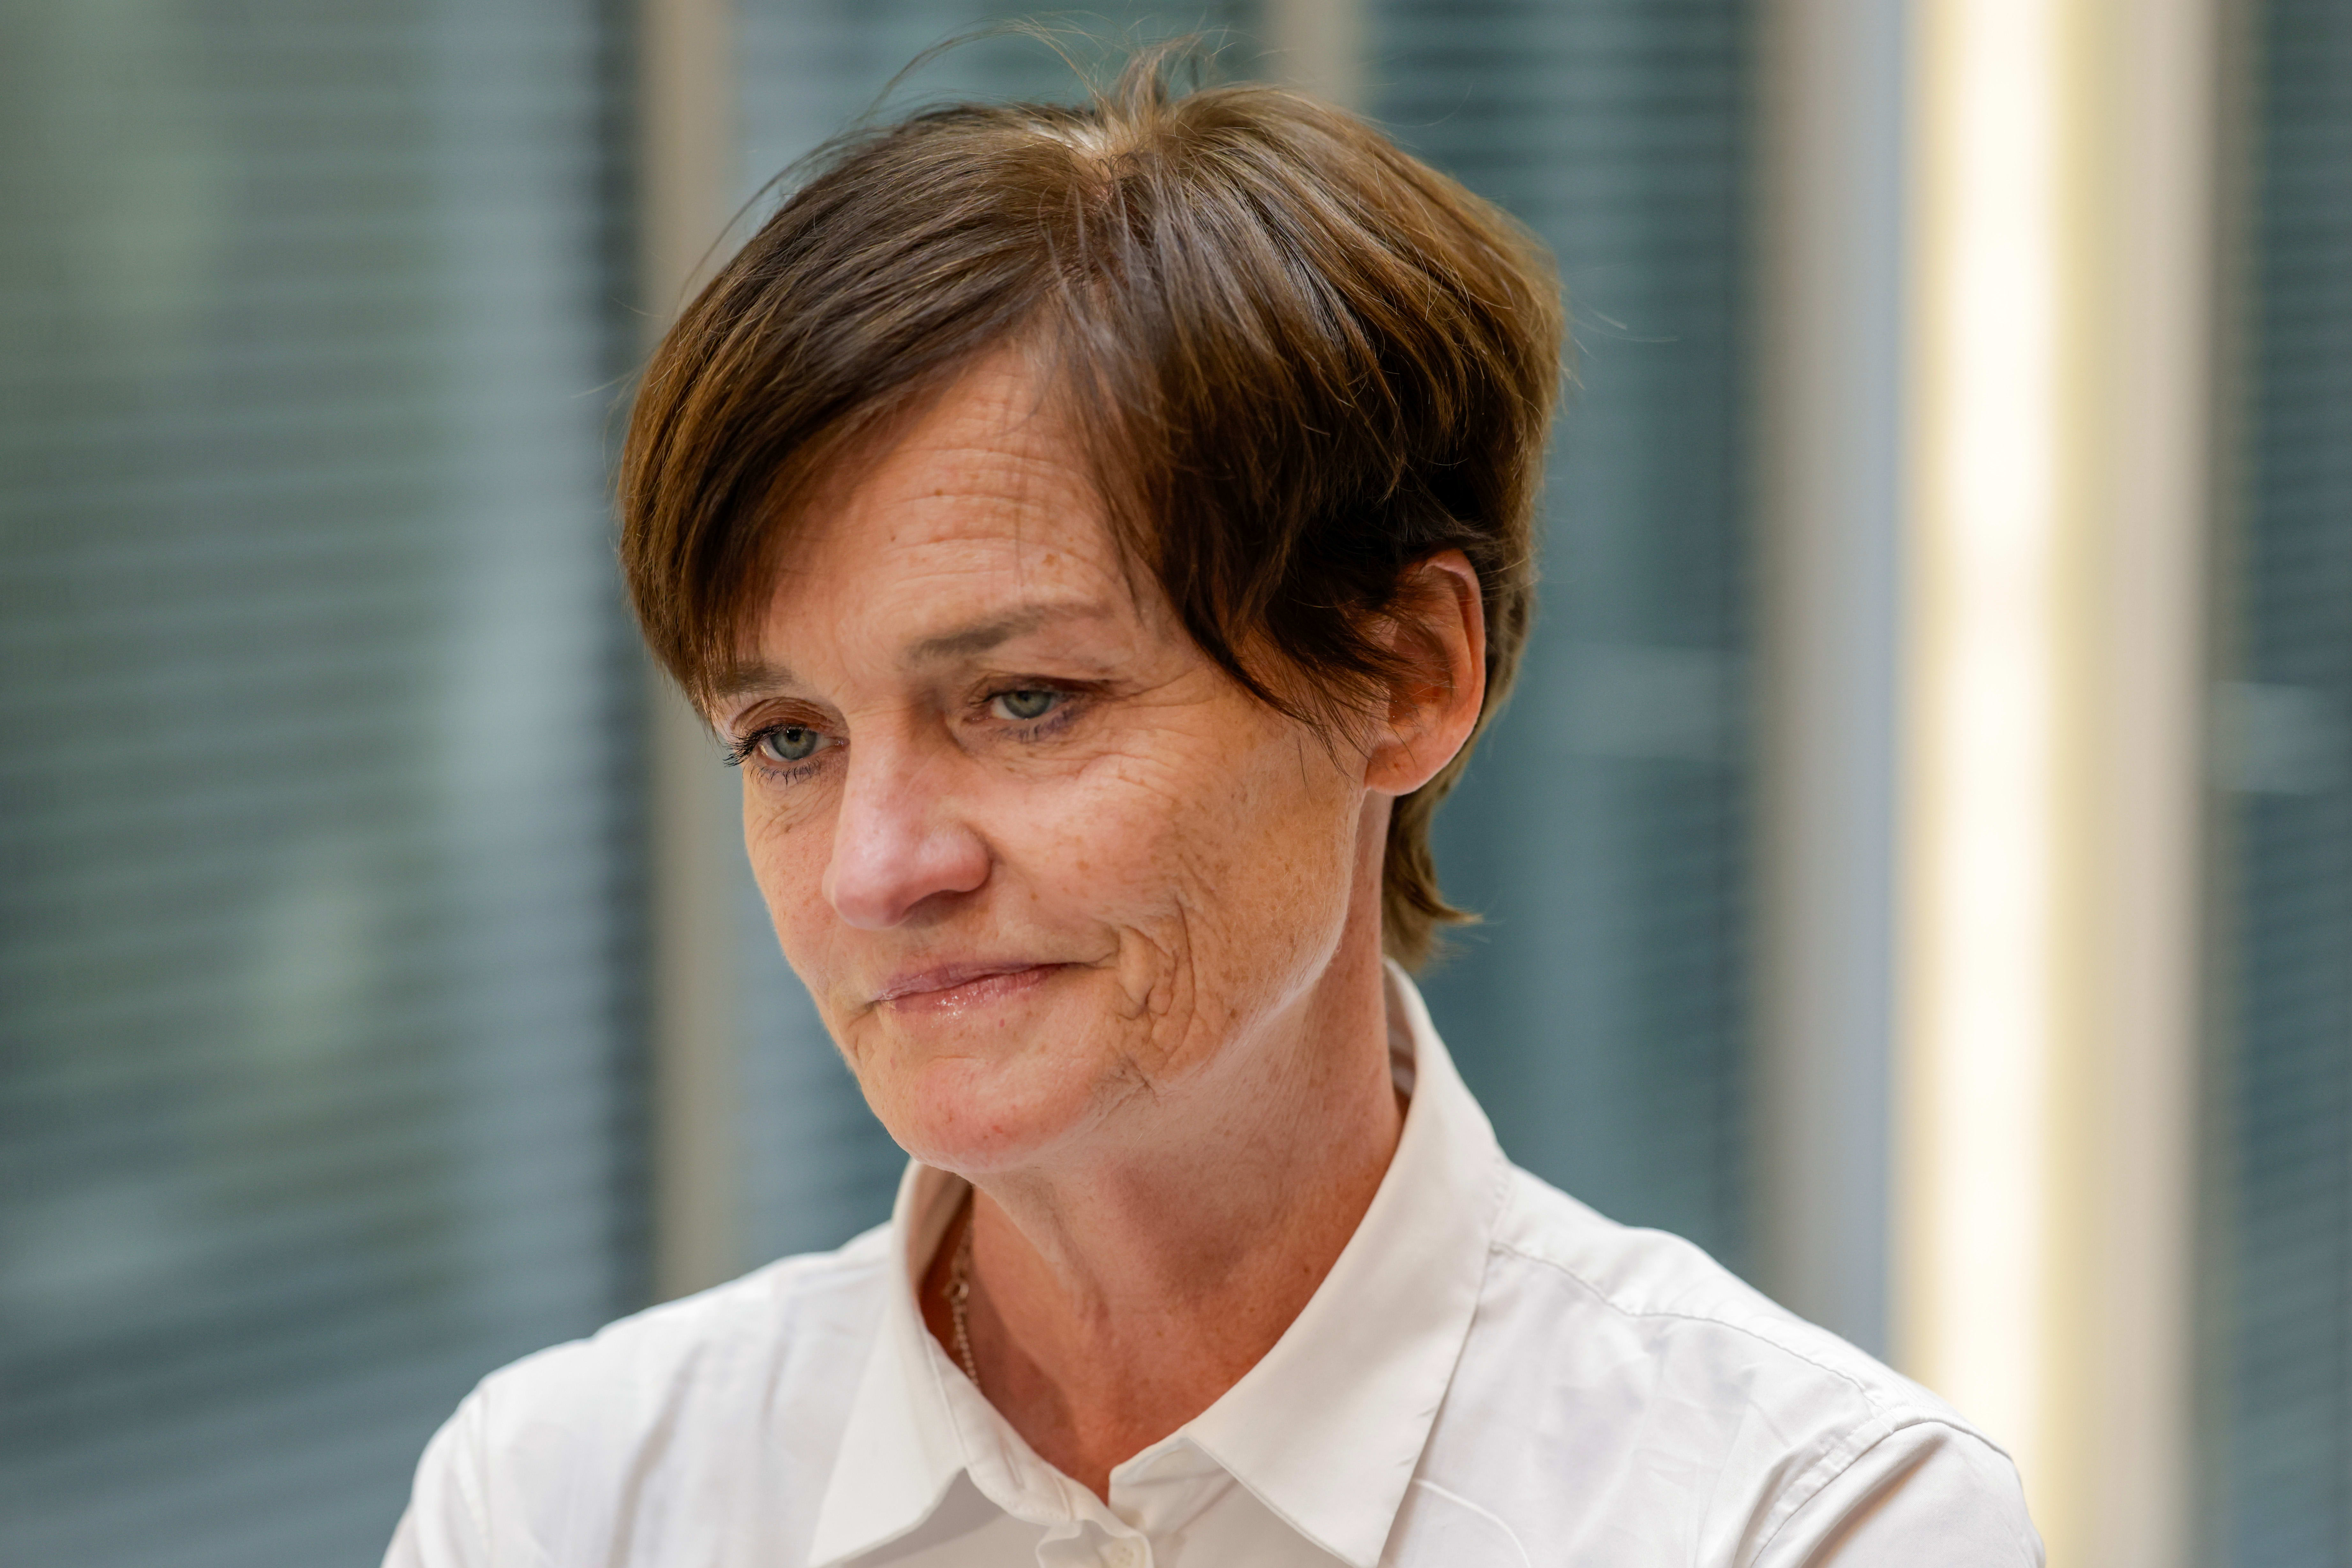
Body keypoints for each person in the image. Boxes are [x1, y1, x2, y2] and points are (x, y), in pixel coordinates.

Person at [385, 52, 2042, 1568]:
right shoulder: (564, 1500)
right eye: (788, 739)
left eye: (1026, 700)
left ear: (1404, 673)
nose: (878, 870)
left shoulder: (1799, 1520)